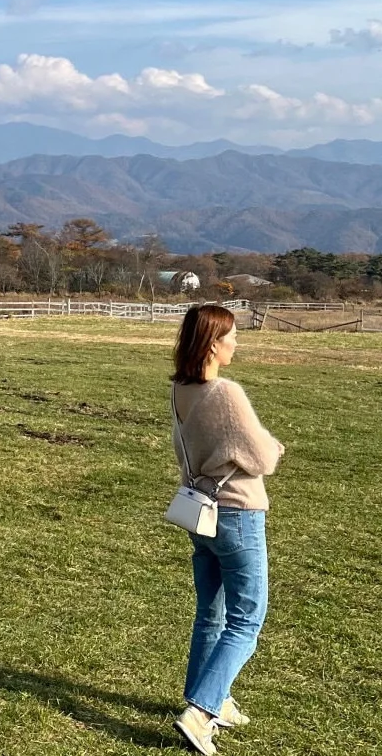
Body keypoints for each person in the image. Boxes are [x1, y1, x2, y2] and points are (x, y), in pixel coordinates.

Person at [169, 304, 284, 755]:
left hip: (201, 514)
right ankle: (201, 712)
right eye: (232, 336)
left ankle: (216, 697)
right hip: (237, 514)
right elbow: (263, 458)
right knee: (246, 620)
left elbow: (187, 447)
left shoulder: (181, 390)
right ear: (214, 343)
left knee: (210, 613)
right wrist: (271, 445)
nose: (237, 343)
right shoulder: (225, 393)